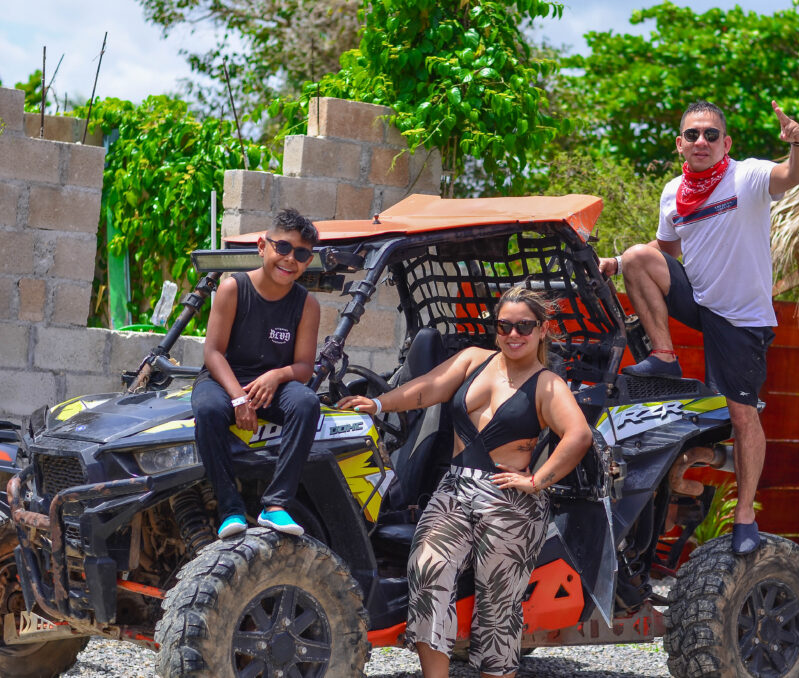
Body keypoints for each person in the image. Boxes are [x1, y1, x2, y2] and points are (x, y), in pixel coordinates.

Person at [338, 286, 592, 678]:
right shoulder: (475, 359)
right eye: (504, 326)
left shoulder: (547, 384)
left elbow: (578, 435)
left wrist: (537, 481)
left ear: (542, 329)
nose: (513, 334)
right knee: (427, 569)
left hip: (509, 501)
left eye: (524, 326)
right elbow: (429, 387)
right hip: (455, 490)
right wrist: (379, 404)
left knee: (498, 605)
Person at [598, 100, 799, 554]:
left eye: (711, 135)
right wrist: (616, 263)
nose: (702, 141)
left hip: (741, 319)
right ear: (680, 144)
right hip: (699, 301)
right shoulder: (673, 191)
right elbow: (665, 251)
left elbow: (794, 176)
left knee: (742, 414)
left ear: (725, 143)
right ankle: (664, 355)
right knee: (636, 256)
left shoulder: (747, 176)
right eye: (693, 134)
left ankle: (744, 514)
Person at [191, 207, 322, 539]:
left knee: (306, 403)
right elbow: (213, 353)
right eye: (283, 247)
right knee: (208, 410)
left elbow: (304, 367)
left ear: (308, 261)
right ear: (263, 246)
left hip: (272, 385)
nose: (290, 259)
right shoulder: (232, 289)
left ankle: (276, 504)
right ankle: (230, 509)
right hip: (224, 379)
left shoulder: (307, 305)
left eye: (301, 254)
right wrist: (238, 398)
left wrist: (276, 376)